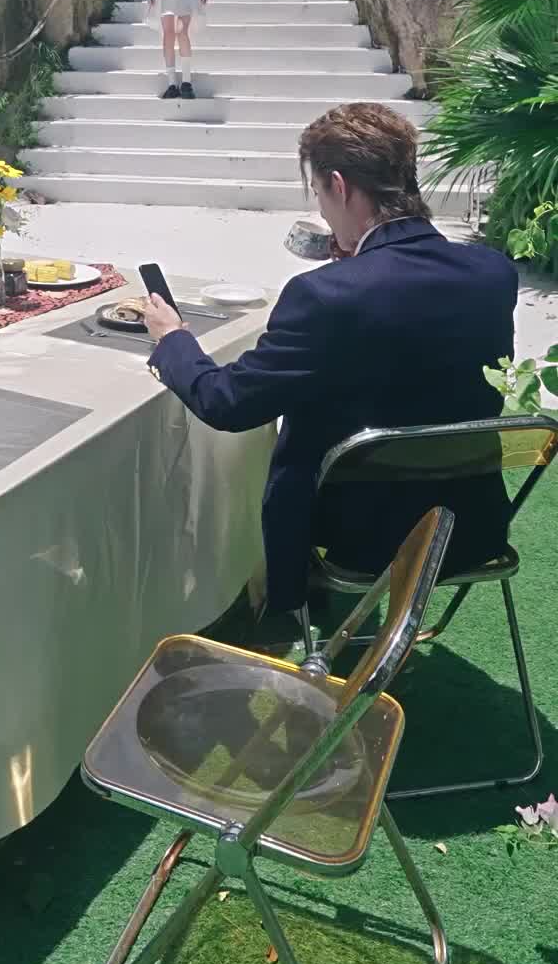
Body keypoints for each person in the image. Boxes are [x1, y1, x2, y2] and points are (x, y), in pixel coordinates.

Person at [142, 102, 516, 616]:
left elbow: (227, 402)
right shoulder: (493, 272)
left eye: (318, 194)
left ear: (339, 186)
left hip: (357, 534)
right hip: (471, 522)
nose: (321, 210)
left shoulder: (324, 295)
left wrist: (172, 340)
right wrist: (361, 261)